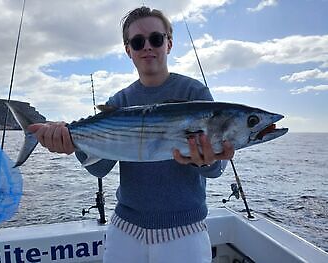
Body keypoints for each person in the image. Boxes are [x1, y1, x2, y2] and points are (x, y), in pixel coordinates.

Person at [29, 6, 234, 263]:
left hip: (185, 232)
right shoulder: (120, 101)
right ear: (129, 51)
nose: (147, 46)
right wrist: (73, 144)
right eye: (138, 42)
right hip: (126, 230)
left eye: (156, 39)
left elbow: (216, 170)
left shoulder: (195, 94)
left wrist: (210, 160)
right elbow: (99, 169)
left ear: (169, 44)